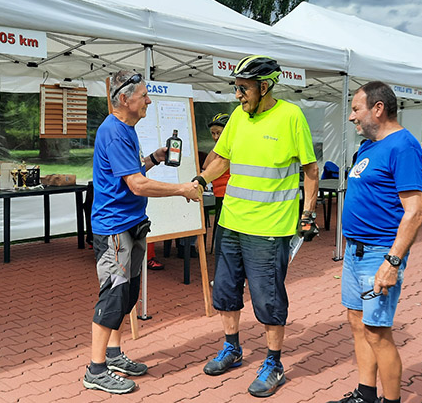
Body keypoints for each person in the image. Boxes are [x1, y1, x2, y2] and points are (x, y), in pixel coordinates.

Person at [195, 55, 319, 398]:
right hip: (231, 221)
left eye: (244, 87)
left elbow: (310, 169)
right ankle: (232, 348)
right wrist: (200, 180)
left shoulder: (291, 116)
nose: (238, 94)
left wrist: (308, 213)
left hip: (269, 227)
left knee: (268, 299)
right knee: (226, 291)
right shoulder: (237, 116)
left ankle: (274, 363)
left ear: (265, 87)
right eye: (236, 87)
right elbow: (222, 158)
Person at [83, 70, 201, 394]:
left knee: (128, 294)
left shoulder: (126, 129)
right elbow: (136, 185)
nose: (149, 100)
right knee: (113, 295)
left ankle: (114, 355)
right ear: (125, 99)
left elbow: (129, 172)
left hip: (131, 226)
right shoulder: (114, 131)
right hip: (114, 229)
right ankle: (95, 370)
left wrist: (153, 158)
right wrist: (182, 189)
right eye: (144, 96)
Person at [328, 81, 422, 403]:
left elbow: (415, 212)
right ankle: (365, 394)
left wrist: (392, 262)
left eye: (356, 109)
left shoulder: (403, 146)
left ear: (378, 109)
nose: (352, 118)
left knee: (377, 331)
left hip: (379, 255)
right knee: (357, 323)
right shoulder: (368, 146)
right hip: (354, 252)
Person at [203, 113, 231, 250]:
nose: (215, 137)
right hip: (219, 194)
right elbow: (205, 165)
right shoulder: (219, 149)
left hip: (229, 194)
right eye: (213, 133)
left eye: (219, 133)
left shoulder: (232, 148)